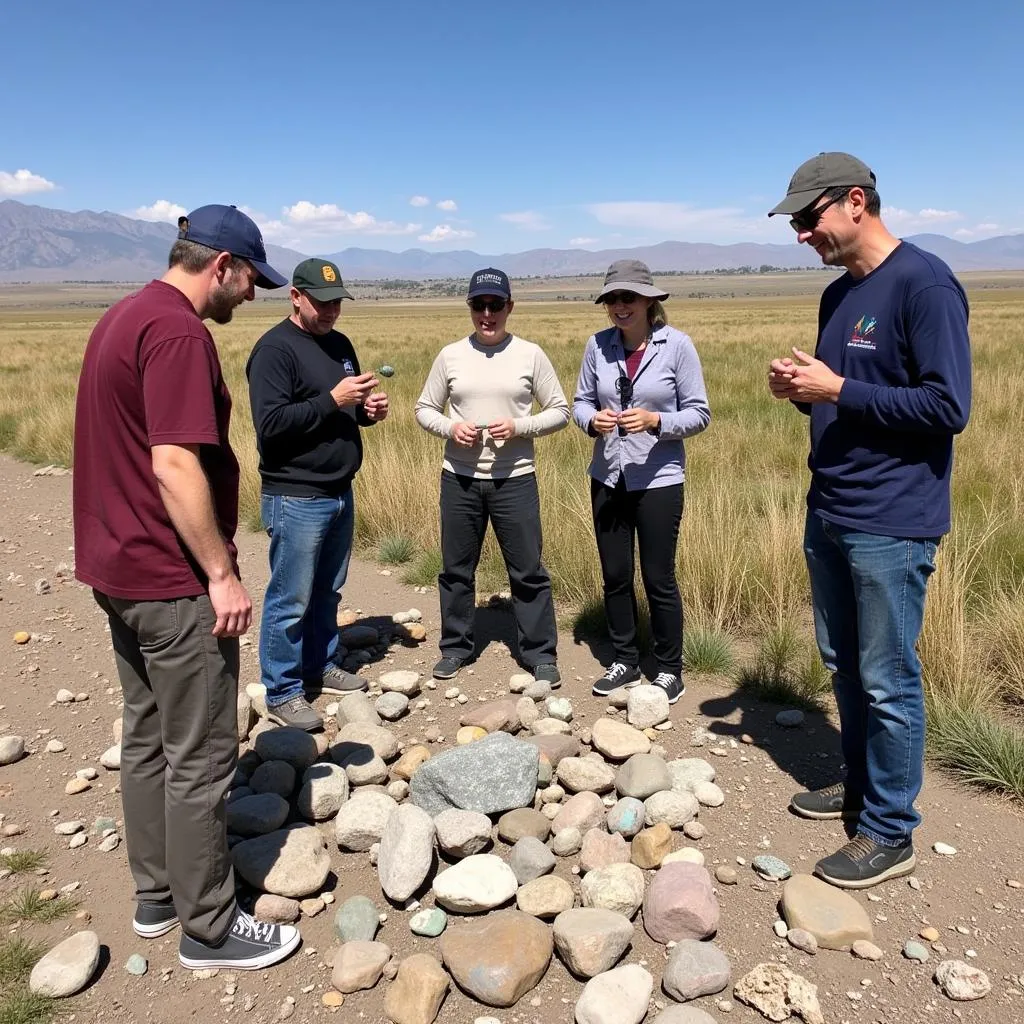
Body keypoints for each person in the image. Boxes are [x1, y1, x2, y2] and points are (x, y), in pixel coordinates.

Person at [73, 205, 301, 969]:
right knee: (201, 754)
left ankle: (157, 896)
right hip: (171, 583)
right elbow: (174, 463)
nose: (252, 295)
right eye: (250, 281)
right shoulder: (177, 333)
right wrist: (221, 573)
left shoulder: (123, 316)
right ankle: (211, 928)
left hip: (119, 572)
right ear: (221, 267)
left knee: (146, 740)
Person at [767, 152, 972, 888]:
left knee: (888, 677)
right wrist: (803, 392)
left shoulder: (925, 284)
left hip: (893, 519)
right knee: (844, 664)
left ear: (856, 201)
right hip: (832, 506)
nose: (801, 233)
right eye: (794, 223)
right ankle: (859, 784)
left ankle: (891, 829)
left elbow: (949, 408)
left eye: (807, 217)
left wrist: (838, 388)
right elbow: (844, 394)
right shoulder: (837, 295)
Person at [246, 258, 388, 732]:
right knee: (290, 596)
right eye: (322, 302)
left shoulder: (340, 344)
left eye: (337, 303)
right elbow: (270, 426)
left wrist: (366, 410)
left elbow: (342, 412)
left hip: (340, 489)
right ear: (295, 296)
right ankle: (283, 690)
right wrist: (335, 399)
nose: (331, 311)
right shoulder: (274, 351)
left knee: (327, 590)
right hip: (296, 495)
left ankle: (320, 665)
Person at [415, 268, 569, 682]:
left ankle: (540, 654)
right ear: (469, 308)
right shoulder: (449, 356)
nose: (487, 314)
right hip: (459, 479)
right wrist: (451, 428)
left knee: (528, 570)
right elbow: (424, 409)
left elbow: (560, 410)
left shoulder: (531, 354)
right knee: (456, 568)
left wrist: (520, 426)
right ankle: (455, 647)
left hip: (515, 478)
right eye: (478, 305)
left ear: (509, 307)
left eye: (495, 305)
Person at [573, 259, 710, 704]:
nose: (620, 306)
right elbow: (580, 403)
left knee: (658, 577)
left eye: (628, 297)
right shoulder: (597, 346)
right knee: (615, 575)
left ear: (650, 300)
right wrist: (593, 420)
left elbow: (699, 413)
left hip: (659, 480)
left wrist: (655, 421)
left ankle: (669, 668)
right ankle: (625, 660)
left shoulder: (677, 347)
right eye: (612, 298)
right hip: (608, 475)